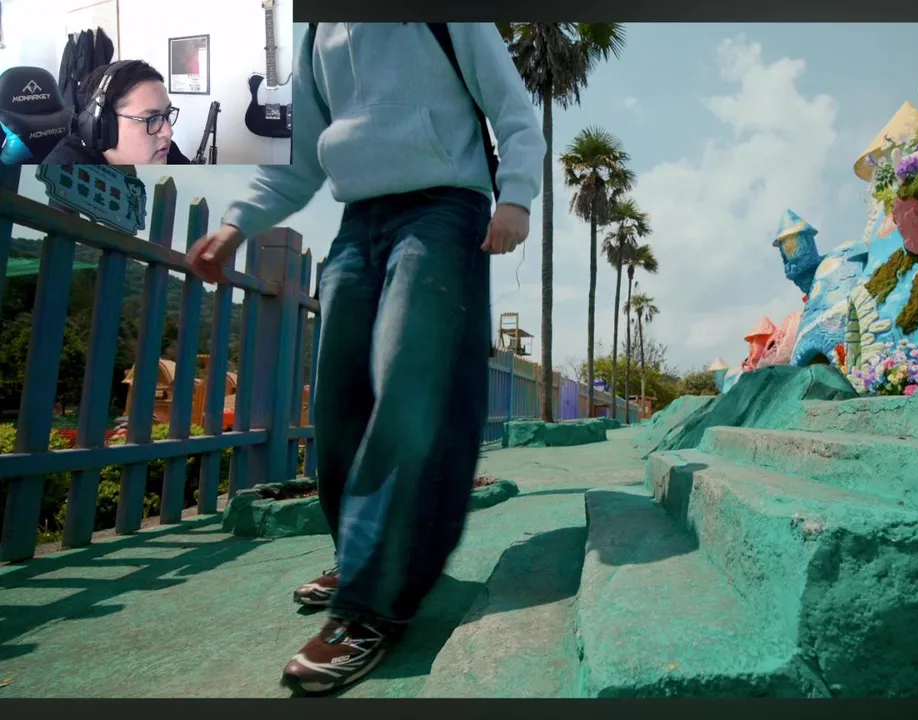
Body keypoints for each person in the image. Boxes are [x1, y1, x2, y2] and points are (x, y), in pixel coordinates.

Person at [185, 22, 544, 695]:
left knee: (409, 385)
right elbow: (297, 158)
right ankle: (358, 558)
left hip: (444, 208)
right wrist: (236, 224)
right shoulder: (318, 32)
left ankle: (371, 604)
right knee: (340, 398)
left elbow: (513, 109)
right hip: (359, 221)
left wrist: (516, 195)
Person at [42, 59, 189, 165]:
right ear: (103, 127)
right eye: (152, 118)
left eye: (167, 115)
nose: (168, 132)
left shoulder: (166, 151)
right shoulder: (65, 174)